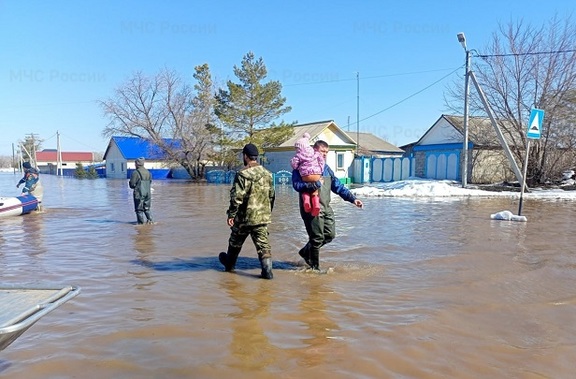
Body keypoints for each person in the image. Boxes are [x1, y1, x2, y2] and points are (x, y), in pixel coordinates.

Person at [292, 140, 363, 271]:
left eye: (326, 152)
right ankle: (315, 268)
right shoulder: (301, 167)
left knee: (330, 235)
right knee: (317, 238)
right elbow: (297, 185)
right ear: (314, 151)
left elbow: (338, 186)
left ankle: (306, 252)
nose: (324, 155)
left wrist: (353, 199)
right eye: (322, 152)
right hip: (311, 209)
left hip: (326, 207)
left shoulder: (326, 169)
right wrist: (314, 185)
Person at [219, 143, 276, 279]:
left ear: (245, 156)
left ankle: (229, 266)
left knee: (235, 242)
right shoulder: (267, 174)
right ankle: (267, 271)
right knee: (263, 245)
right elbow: (272, 196)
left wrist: (231, 215)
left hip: (244, 218)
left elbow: (236, 197)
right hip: (261, 217)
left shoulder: (242, 174)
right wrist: (267, 212)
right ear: (256, 157)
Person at [290, 132, 325, 217]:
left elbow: (294, 164)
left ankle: (306, 199)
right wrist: (321, 169)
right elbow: (321, 160)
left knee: (305, 189)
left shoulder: (299, 155)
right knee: (315, 192)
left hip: (306, 175)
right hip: (317, 174)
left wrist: (297, 167)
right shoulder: (315, 153)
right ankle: (316, 204)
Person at [128, 157, 154, 224]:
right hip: (148, 193)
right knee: (147, 208)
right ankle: (150, 221)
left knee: (139, 210)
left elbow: (132, 185)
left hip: (139, 193)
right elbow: (150, 182)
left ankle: (141, 225)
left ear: (137, 164)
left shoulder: (135, 173)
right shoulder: (148, 172)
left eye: (135, 163)